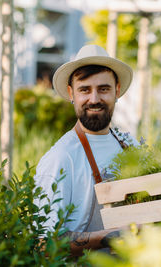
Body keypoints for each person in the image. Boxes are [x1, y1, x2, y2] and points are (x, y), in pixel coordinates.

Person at [34, 44, 139, 256]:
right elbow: (45, 244)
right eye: (85, 90)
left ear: (117, 91)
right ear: (71, 93)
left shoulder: (130, 145)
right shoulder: (61, 158)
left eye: (103, 89)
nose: (94, 99)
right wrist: (108, 237)